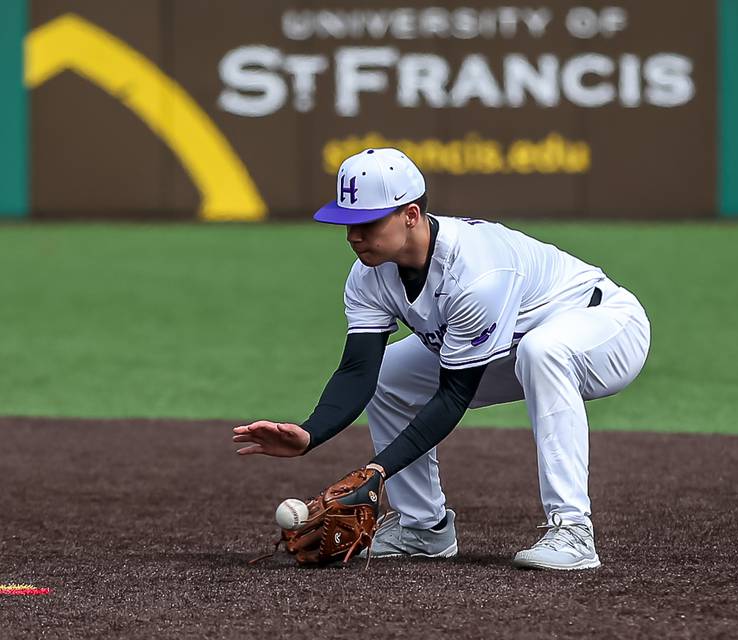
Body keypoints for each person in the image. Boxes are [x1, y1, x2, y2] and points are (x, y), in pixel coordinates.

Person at [232, 148, 651, 570]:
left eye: (367, 223)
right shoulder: (369, 274)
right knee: (390, 375)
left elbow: (453, 397)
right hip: (511, 344)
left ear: (411, 215)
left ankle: (573, 530)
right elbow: (360, 370)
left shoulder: (477, 274)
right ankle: (423, 528)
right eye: (347, 223)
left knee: (543, 352)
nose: (353, 236)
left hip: (605, 329)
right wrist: (310, 435)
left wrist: (377, 471)